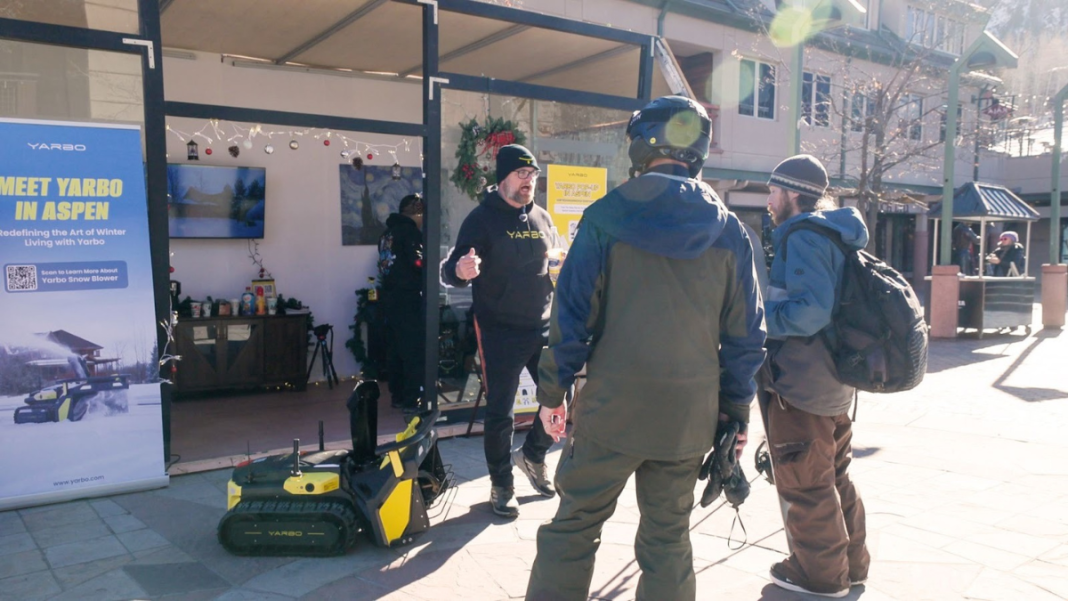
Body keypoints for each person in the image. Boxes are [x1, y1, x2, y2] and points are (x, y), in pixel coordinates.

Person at [526, 96, 767, 601]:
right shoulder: (730, 231)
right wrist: (736, 413)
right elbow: (746, 336)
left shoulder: (604, 217)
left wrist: (553, 394)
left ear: (640, 147)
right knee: (668, 540)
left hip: (612, 407)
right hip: (688, 417)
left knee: (573, 527)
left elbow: (570, 318)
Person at [761, 154, 870, 598]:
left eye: (771, 192)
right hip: (834, 381)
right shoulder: (834, 233)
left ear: (790, 193)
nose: (768, 202)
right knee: (833, 475)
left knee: (805, 481)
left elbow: (808, 313)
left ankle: (821, 577)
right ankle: (850, 566)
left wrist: (757, 316)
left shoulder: (804, 237)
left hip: (802, 386)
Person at [441, 144, 565, 518]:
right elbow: (452, 268)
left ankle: (533, 455)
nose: (530, 182)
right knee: (500, 410)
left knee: (559, 395)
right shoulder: (481, 219)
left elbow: (555, 263)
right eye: (523, 175)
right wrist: (459, 272)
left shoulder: (543, 218)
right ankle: (501, 484)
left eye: (534, 175)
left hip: (541, 327)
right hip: (499, 330)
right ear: (504, 177)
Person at [377, 193, 425, 412]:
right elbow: (418, 262)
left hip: (390, 298)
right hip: (408, 298)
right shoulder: (410, 232)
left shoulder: (387, 233)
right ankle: (411, 398)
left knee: (395, 349)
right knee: (412, 350)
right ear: (415, 210)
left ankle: (397, 395)